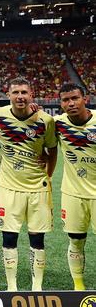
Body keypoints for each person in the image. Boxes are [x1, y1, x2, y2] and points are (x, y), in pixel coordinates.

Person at [0, 77, 56, 291]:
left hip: (38, 188)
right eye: (16, 92)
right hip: (9, 187)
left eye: (24, 92)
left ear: (31, 95)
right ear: (9, 95)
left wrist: (48, 175)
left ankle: (37, 287)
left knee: (37, 238)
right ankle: (12, 287)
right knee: (9, 236)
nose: (20, 97)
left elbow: (52, 150)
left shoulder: (45, 121)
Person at [54, 83, 96, 291]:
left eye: (75, 98)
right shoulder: (58, 124)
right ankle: (78, 287)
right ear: (61, 104)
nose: (70, 103)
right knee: (76, 241)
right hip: (73, 194)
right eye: (65, 100)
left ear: (85, 99)